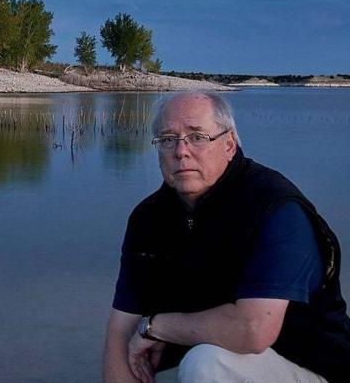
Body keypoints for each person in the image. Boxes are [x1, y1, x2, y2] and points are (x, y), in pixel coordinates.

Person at [103, 92, 350, 383]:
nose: (181, 151)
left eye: (197, 137)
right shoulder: (149, 218)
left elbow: (254, 331)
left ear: (229, 144)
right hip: (230, 357)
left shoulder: (274, 209)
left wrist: (158, 327)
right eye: (168, 139)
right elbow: (121, 330)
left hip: (314, 367)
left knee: (207, 364)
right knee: (139, 354)